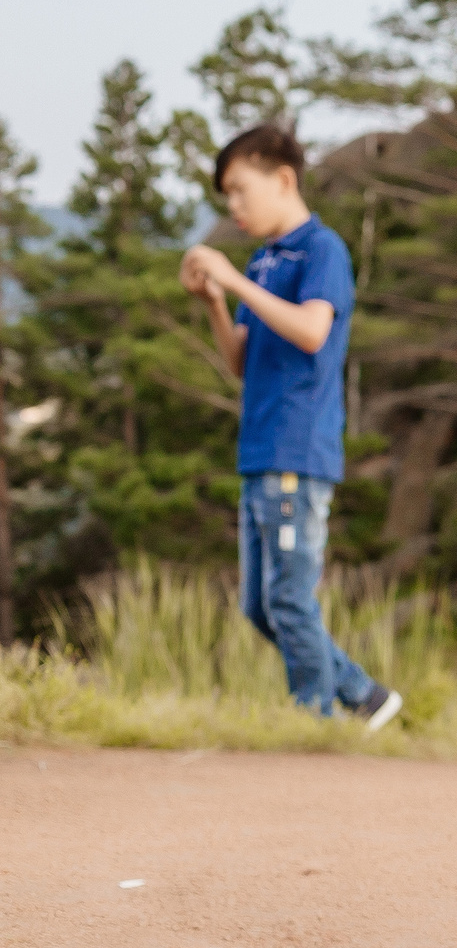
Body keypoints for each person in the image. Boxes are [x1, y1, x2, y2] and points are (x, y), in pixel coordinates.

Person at [181, 124, 401, 731]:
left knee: (288, 600)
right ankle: (364, 695)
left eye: (240, 190)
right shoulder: (265, 260)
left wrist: (233, 279)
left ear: (283, 179)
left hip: (297, 451)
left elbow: (311, 331)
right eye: (226, 195)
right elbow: (239, 363)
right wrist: (215, 300)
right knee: (260, 607)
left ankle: (317, 719)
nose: (234, 206)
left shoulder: (321, 249)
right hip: (260, 450)